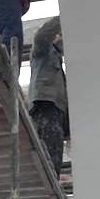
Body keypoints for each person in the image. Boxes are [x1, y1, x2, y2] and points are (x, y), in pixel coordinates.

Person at [28, 16, 69, 177]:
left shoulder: (58, 59)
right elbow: (42, 36)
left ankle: (52, 180)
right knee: (48, 150)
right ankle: (48, 180)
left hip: (56, 111)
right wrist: (63, 17)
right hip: (45, 106)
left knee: (55, 151)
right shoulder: (43, 51)